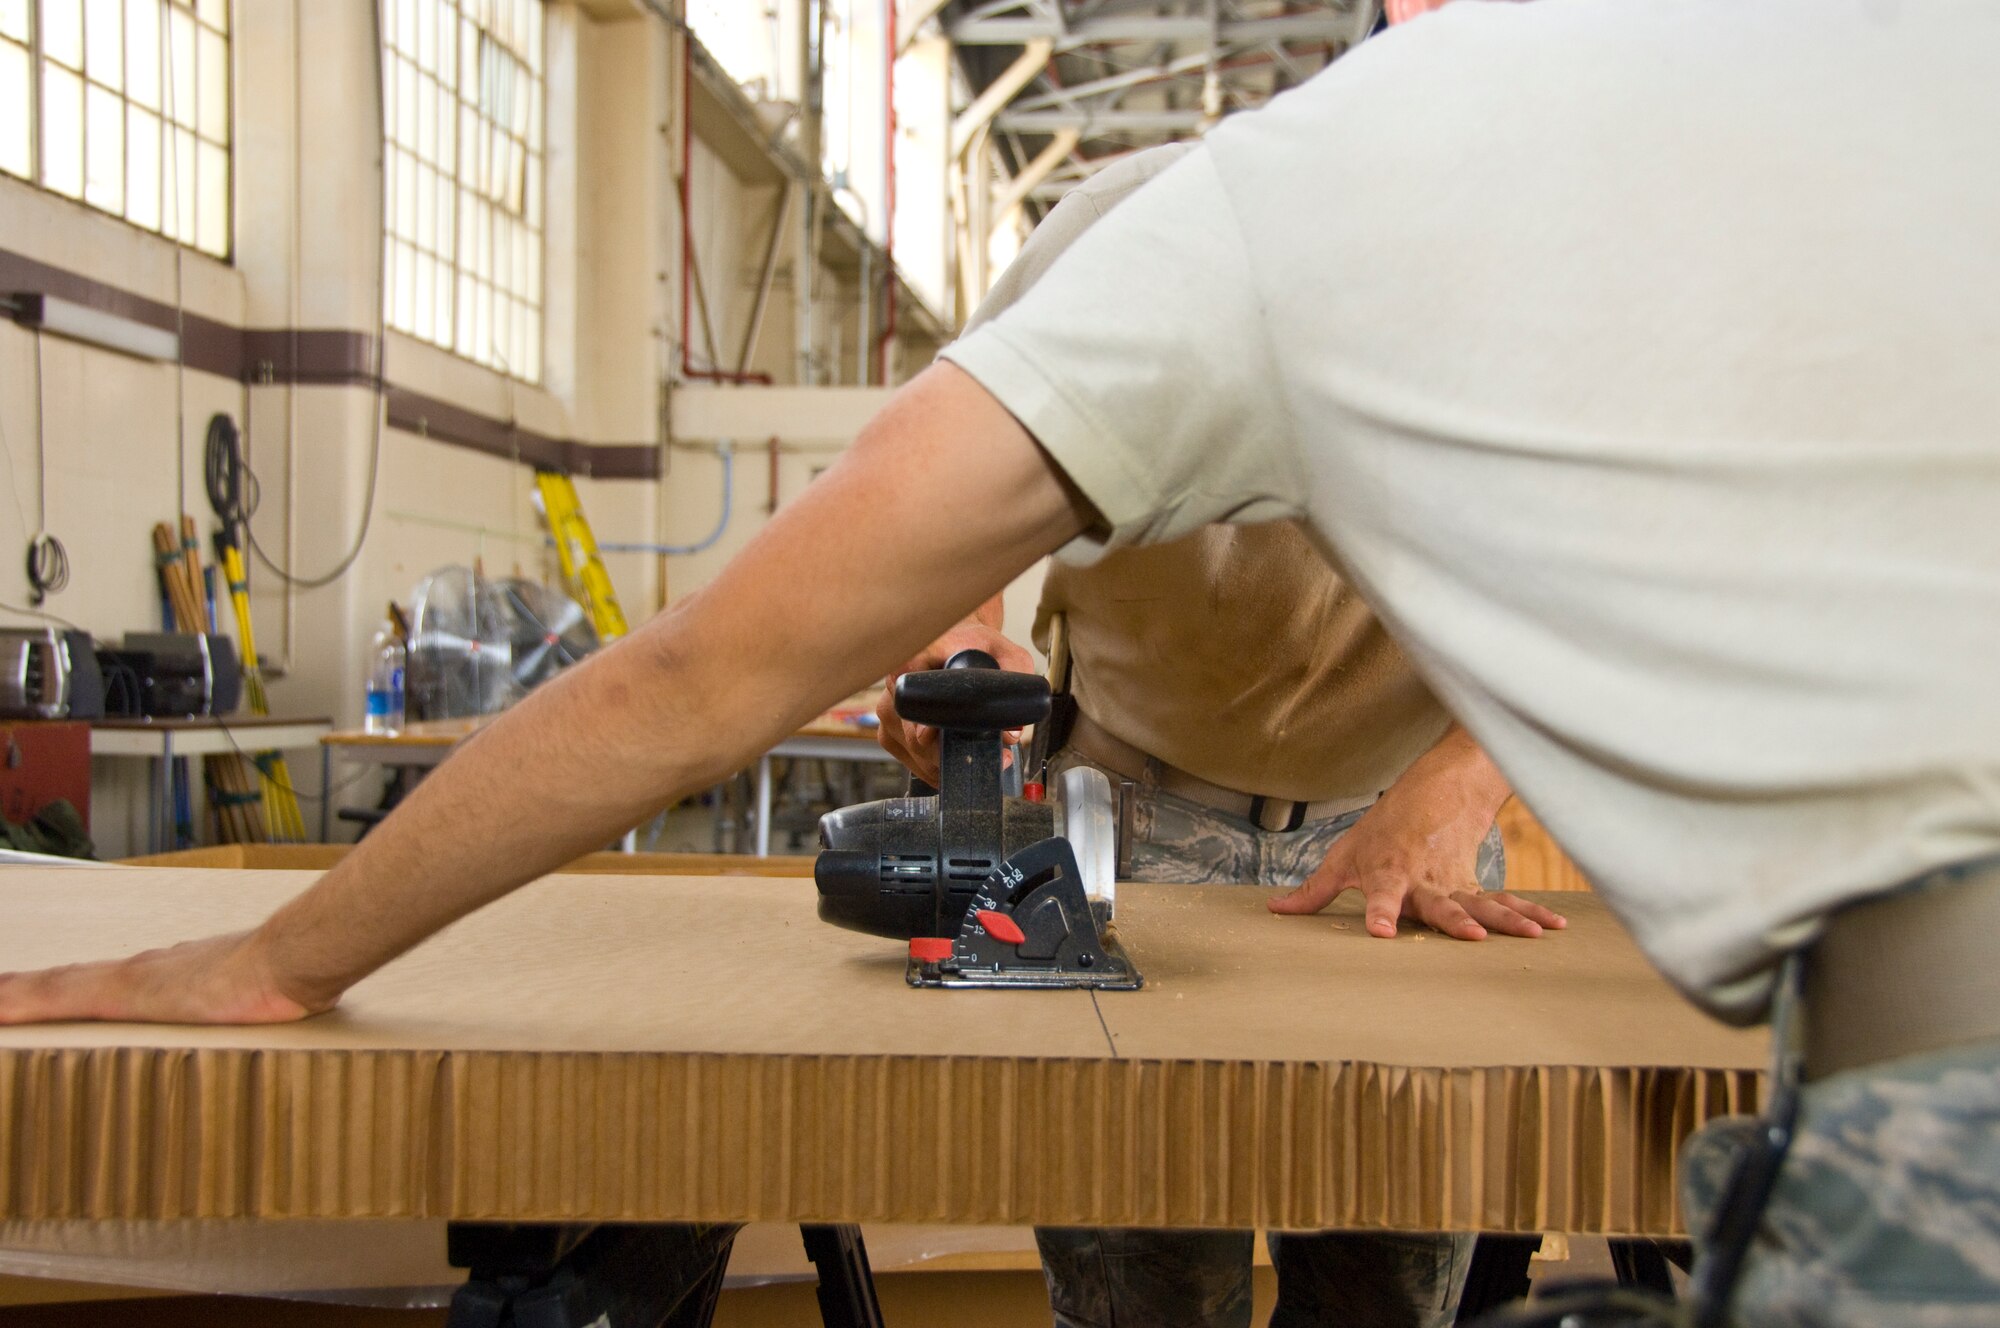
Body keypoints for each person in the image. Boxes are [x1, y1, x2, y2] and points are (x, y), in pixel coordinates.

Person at [4, 1, 1996, 1322]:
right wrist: (964, 641)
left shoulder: (1606, 205)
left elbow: (701, 678)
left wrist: (1453, 788)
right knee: (1142, 1252)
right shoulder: (1160, 244)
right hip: (1144, 793)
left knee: (1393, 1255)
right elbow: (784, 643)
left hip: (1427, 841)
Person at [874, 139, 1561, 1328]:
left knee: (1383, 1297)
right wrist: (960, 643)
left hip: (1401, 847)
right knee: (1141, 1297)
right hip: (1124, 821)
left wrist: (1468, 771)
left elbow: (1624, 576)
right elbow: (951, 493)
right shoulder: (1121, 229)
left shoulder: (1571, 279)